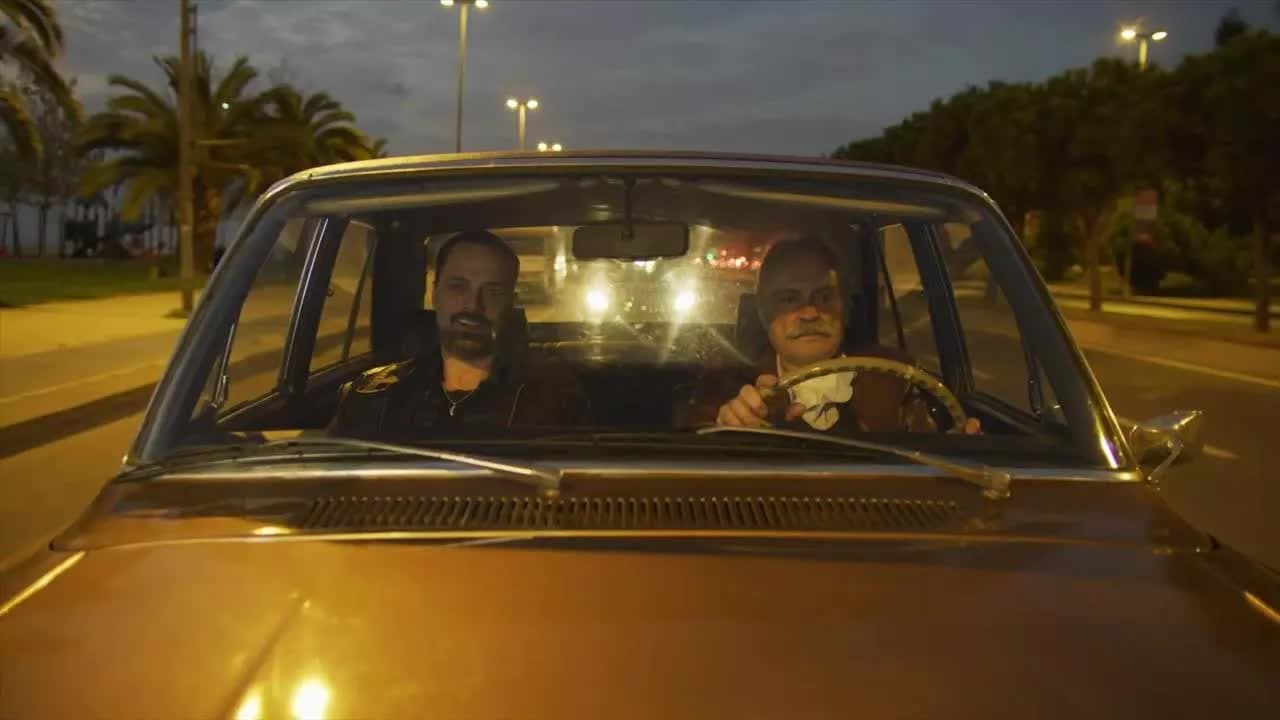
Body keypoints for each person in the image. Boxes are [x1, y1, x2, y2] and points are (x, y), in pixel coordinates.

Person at [329, 229, 590, 438]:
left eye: (492, 291)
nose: (473, 306)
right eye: (458, 287)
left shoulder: (554, 399)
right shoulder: (374, 395)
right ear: (435, 293)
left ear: (510, 303)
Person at [714, 236, 981, 434]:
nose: (809, 313)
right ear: (762, 313)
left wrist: (957, 445)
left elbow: (928, 443)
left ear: (845, 306)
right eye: (788, 299)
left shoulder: (897, 377)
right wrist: (731, 425)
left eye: (824, 297)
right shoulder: (728, 385)